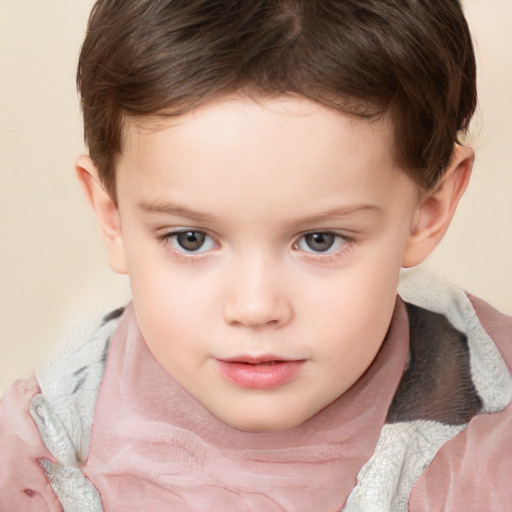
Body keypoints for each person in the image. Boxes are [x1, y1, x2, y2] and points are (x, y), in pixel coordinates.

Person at [0, 0, 510, 510]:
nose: (254, 307)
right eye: (191, 239)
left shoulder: (489, 444)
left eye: (320, 240)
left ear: (429, 208)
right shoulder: (40, 449)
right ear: (112, 215)